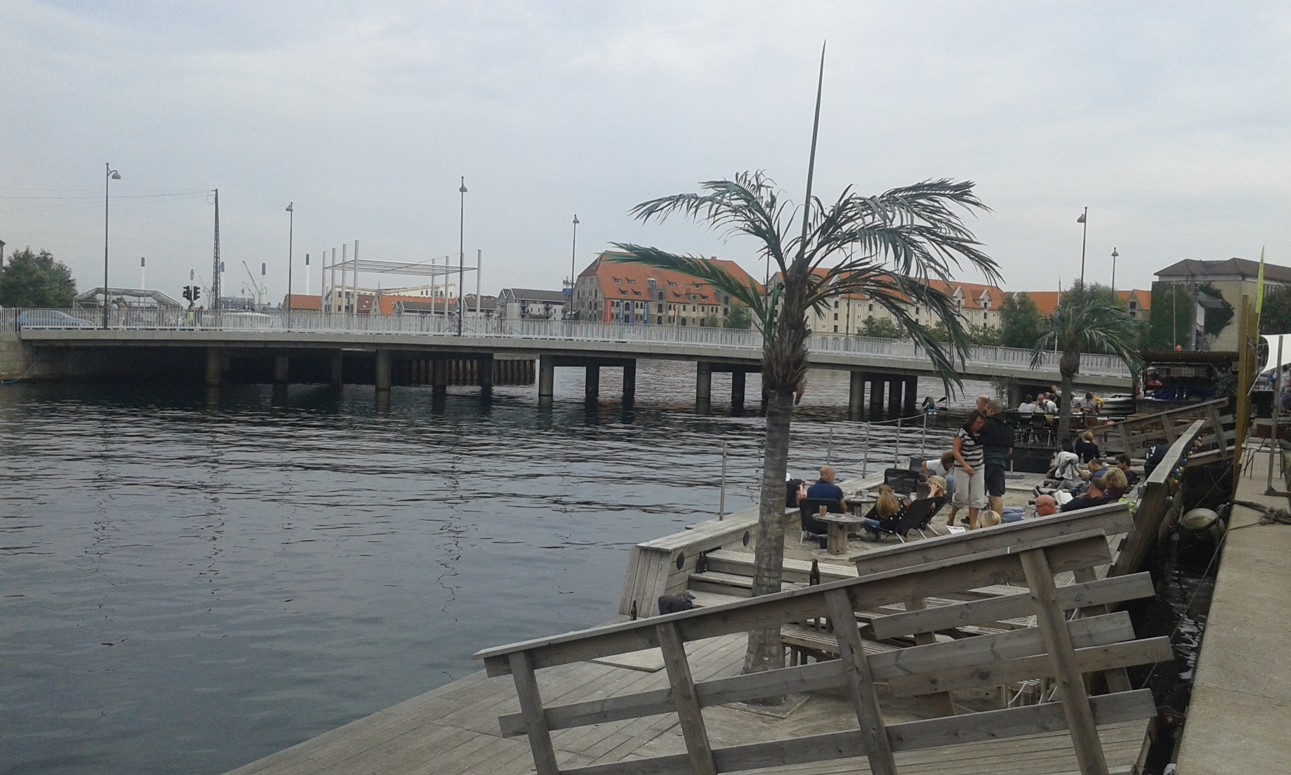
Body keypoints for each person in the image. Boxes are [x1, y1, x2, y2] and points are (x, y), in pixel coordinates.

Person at [978, 399, 1014, 516]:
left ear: (991, 410)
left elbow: (978, 443)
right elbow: (1009, 451)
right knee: (997, 494)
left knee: (979, 491)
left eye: (987, 409)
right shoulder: (1009, 427)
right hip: (1000, 462)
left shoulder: (985, 424)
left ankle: (973, 517)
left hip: (985, 461)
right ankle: (996, 520)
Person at [952, 412, 987, 529]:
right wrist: (965, 465)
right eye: (978, 422)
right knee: (961, 496)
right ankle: (952, 514)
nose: (980, 425)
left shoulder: (983, 432)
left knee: (976, 497)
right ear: (972, 421)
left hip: (978, 467)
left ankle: (972, 525)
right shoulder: (962, 432)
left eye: (982, 423)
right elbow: (955, 451)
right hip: (962, 467)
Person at [921, 451, 960, 525]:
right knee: (947, 479)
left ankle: (948, 498)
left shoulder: (953, 466)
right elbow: (924, 463)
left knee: (950, 479)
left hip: (946, 482)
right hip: (937, 479)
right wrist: (926, 475)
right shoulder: (936, 463)